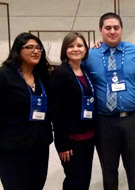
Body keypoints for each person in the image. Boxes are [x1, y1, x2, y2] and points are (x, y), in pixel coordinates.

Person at [84, 13, 135, 190]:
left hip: (133, 119)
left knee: (134, 168)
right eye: (108, 28)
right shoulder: (89, 55)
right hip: (104, 121)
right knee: (109, 169)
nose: (112, 31)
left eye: (116, 28)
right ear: (100, 31)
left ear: (121, 30)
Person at [0, 32, 53, 190]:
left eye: (38, 48)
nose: (36, 51)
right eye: (29, 47)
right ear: (18, 50)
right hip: (12, 147)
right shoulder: (4, 75)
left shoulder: (42, 76)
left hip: (39, 143)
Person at [50, 32, 95, 190]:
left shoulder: (86, 71)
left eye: (79, 45)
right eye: (71, 46)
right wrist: (62, 143)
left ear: (85, 49)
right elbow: (56, 111)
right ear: (65, 50)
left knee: (85, 179)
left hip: (88, 137)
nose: (75, 49)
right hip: (70, 140)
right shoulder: (60, 74)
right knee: (74, 180)